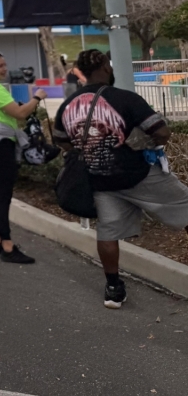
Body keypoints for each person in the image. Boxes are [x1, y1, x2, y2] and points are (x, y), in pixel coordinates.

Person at [54, 49, 188, 309]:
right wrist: (143, 144)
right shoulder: (125, 98)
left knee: (108, 232)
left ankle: (113, 288)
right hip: (138, 175)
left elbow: (61, 140)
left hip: (100, 181)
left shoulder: (68, 104)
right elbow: (161, 131)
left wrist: (89, 152)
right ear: (105, 66)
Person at [0, 52, 46, 265]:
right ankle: (8, 247)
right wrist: (37, 97)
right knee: (2, 197)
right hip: (0, 145)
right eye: (0, 66)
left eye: (5, 65)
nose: (4, 69)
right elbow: (20, 114)